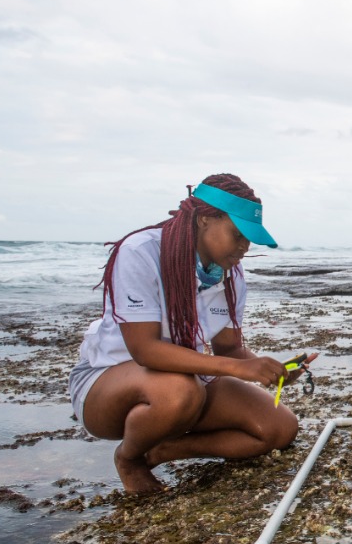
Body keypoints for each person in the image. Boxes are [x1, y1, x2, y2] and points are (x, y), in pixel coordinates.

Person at [68, 174, 317, 494]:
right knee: (179, 391)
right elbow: (145, 350)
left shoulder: (230, 275)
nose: (244, 246)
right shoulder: (140, 252)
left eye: (249, 238)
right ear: (204, 219)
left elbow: (229, 351)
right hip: (106, 385)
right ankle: (129, 458)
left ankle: (161, 451)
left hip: (188, 384)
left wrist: (276, 372)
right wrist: (239, 369)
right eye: (238, 234)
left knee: (279, 428)